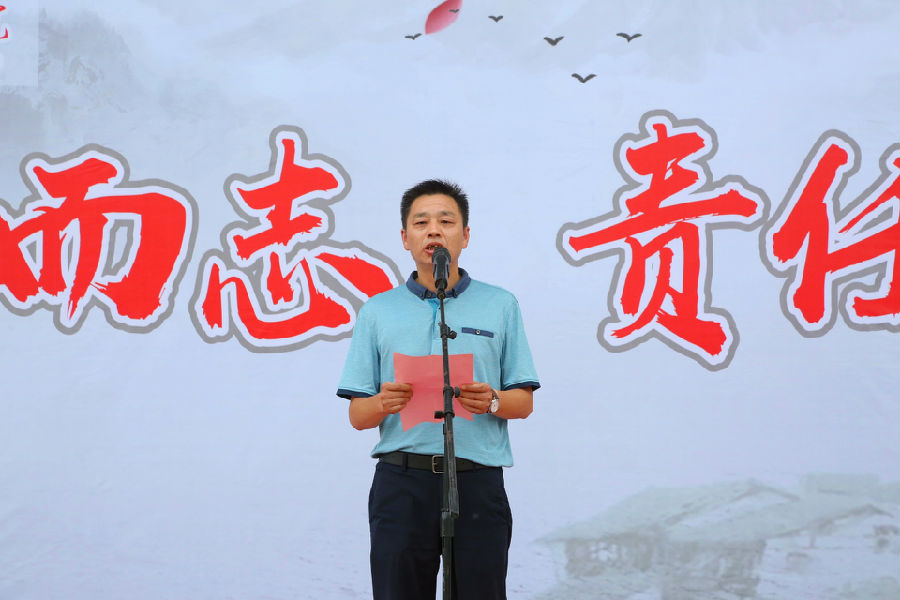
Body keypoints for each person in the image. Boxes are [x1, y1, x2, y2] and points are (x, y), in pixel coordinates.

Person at [336, 179, 540, 600]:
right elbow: (358, 416)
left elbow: (523, 402)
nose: (434, 231)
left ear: (465, 236)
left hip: (476, 481)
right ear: (405, 238)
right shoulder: (377, 311)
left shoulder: (500, 304)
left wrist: (493, 400)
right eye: (421, 222)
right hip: (402, 483)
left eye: (446, 222)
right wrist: (383, 402)